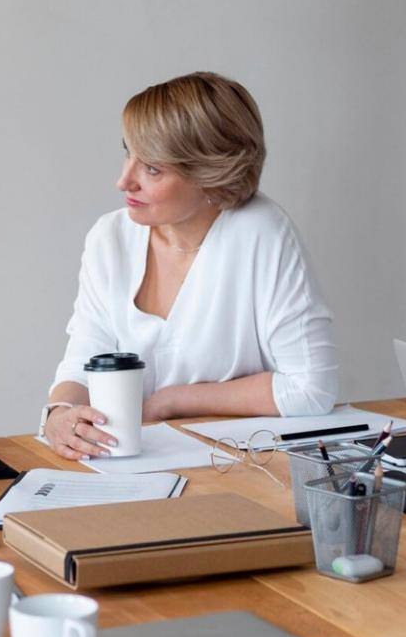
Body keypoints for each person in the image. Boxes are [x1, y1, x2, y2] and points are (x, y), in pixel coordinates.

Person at [42, 71, 337, 461]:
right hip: (130, 467)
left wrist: (172, 402)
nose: (123, 181)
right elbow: (83, 362)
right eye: (128, 152)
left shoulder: (261, 233)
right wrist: (59, 414)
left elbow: (311, 387)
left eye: (152, 169)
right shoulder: (109, 237)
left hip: (239, 471)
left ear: (211, 176)